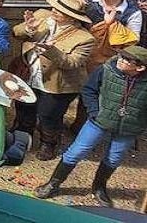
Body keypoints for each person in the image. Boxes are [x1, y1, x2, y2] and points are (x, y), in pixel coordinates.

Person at [36, 45, 147, 207]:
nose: (120, 60)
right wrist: (95, 112)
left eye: (126, 60)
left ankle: (99, 187)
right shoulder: (106, 70)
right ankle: (53, 183)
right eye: (121, 56)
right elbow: (89, 90)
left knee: (114, 158)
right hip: (99, 122)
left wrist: (140, 123)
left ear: (140, 67)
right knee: (76, 151)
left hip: (128, 128)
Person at [14, 0, 100, 159]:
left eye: (60, 11)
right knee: (24, 107)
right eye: (55, 7)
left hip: (58, 84)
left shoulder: (84, 38)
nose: (54, 11)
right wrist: (28, 28)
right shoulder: (41, 16)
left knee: (49, 115)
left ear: (72, 18)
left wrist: (52, 51)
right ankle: (22, 136)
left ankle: (49, 142)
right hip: (29, 73)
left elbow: (72, 63)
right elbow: (17, 33)